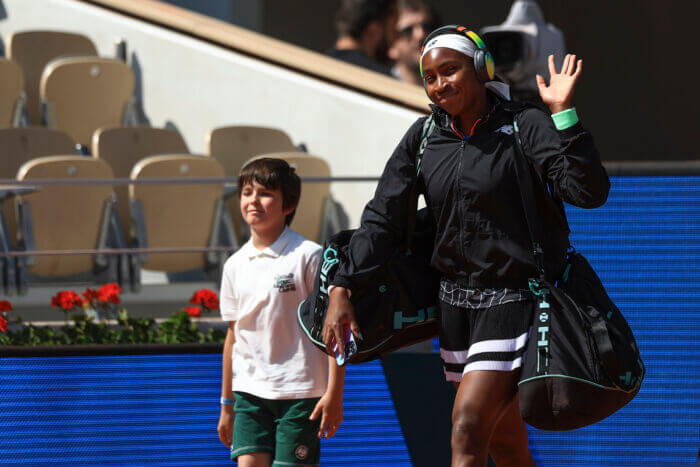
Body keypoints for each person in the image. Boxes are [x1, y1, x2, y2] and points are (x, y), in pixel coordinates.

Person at [322, 25, 610, 466]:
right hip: (455, 311)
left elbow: (587, 192)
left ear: (480, 68)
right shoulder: (421, 139)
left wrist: (563, 114)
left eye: (450, 70)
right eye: (431, 77)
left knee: (467, 426)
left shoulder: (523, 124)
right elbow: (382, 220)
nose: (440, 85)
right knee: (505, 443)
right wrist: (342, 286)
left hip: (514, 301)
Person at [217, 158, 346, 467]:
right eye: (247, 192)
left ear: (288, 205)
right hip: (249, 393)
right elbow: (233, 337)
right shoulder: (233, 265)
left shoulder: (309, 256)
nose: (253, 201)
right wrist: (226, 404)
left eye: (265, 193)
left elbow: (334, 330)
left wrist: (334, 394)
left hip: (302, 394)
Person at [327, 0, 398, 75]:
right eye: (393, 30)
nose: (395, 39)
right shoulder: (379, 78)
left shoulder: (320, 65)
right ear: (373, 30)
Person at [388, 0, 440, 85]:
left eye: (426, 27)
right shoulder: (380, 85)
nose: (421, 34)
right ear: (391, 47)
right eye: (408, 31)